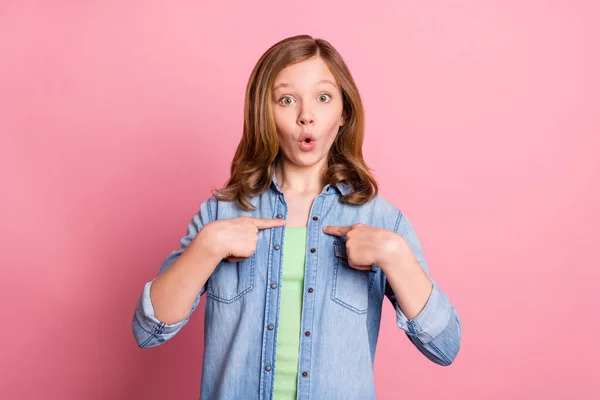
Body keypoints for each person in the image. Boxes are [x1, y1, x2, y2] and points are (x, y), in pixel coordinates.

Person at [132, 34, 461, 400]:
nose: (307, 115)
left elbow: (445, 347)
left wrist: (395, 255)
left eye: (323, 97)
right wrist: (209, 245)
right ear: (265, 115)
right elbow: (148, 330)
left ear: (343, 114)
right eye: (287, 100)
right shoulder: (221, 213)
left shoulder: (381, 219)